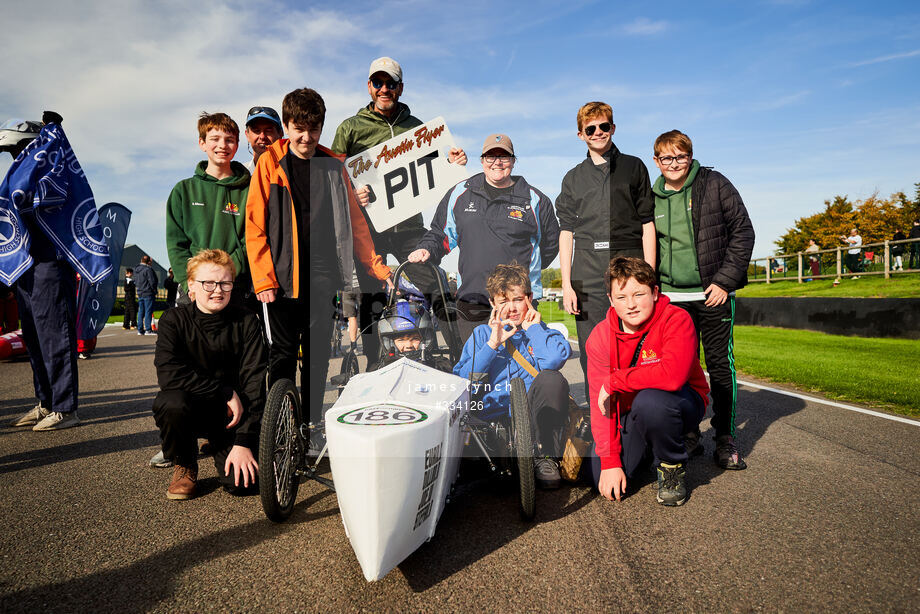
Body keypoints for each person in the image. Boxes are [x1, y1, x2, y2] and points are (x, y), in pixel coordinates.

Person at [246, 87, 392, 435]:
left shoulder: (334, 165)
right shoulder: (269, 163)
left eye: (313, 129)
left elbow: (358, 226)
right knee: (280, 357)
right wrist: (264, 280)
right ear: (287, 126)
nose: (306, 137)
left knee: (316, 359)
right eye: (298, 128)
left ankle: (310, 425)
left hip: (325, 276)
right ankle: (280, 428)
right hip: (281, 278)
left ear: (321, 127)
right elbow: (254, 225)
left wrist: (378, 268)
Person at [331, 56, 467, 362]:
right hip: (370, 229)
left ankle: (461, 360)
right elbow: (331, 177)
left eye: (390, 83)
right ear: (369, 86)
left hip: (409, 227)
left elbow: (433, 174)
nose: (384, 89)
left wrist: (454, 164)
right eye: (378, 83)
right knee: (371, 298)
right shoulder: (350, 128)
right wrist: (352, 191)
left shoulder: (418, 128)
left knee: (437, 285)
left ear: (400, 88)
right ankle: (373, 366)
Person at [650, 130, 754, 470]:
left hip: (713, 294)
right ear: (657, 161)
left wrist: (724, 280)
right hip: (670, 299)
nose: (674, 164)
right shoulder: (652, 197)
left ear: (690, 156)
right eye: (667, 158)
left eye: (680, 157)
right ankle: (689, 434)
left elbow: (743, 231)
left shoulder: (714, 183)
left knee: (719, 366)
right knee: (681, 368)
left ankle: (724, 437)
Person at [409, 134, 560, 342]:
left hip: (518, 302)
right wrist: (426, 248)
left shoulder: (535, 200)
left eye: (504, 157)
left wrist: (523, 276)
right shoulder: (460, 193)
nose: (497, 162)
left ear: (513, 161)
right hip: (473, 301)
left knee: (522, 370)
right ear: (481, 161)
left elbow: (550, 245)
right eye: (490, 156)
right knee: (476, 368)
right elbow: (440, 233)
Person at [586, 257, 709, 506]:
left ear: (654, 292)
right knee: (598, 476)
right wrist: (610, 461)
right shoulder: (599, 337)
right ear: (610, 300)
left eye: (638, 294)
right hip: (629, 411)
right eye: (621, 298)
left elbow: (673, 377)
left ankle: (671, 463)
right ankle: (650, 446)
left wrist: (615, 380)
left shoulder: (677, 319)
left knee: (651, 402)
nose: (630, 305)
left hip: (680, 401)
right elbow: (602, 406)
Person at [152, 249, 267, 500]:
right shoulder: (173, 320)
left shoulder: (247, 321)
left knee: (242, 486)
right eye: (208, 283)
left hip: (232, 417)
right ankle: (185, 463)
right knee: (170, 402)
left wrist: (244, 441)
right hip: (191, 409)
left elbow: (255, 382)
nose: (218, 290)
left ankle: (220, 443)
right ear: (191, 285)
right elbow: (169, 375)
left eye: (225, 283)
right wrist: (223, 391)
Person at [555, 102, 655, 382]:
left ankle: (637, 418)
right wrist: (566, 284)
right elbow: (566, 232)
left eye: (604, 126)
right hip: (587, 273)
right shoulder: (573, 178)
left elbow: (648, 223)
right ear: (580, 135)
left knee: (636, 348)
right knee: (594, 352)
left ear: (613, 128)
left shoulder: (634, 167)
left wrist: (649, 276)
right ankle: (602, 422)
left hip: (631, 272)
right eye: (591, 128)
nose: (598, 132)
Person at [454, 263, 572, 489]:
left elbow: (556, 360)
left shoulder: (543, 331)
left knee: (553, 380)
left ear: (529, 298)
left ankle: (545, 457)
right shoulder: (481, 335)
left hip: (534, 419)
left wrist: (534, 330)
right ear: (492, 304)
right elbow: (461, 380)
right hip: (494, 419)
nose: (512, 308)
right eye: (503, 301)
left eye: (517, 299)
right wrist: (492, 344)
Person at [166, 112, 251, 306]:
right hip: (195, 290)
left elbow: (253, 238)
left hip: (235, 287)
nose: (222, 145)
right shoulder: (183, 191)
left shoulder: (250, 190)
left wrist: (227, 274)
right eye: (215, 139)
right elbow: (176, 244)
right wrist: (191, 285)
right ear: (202, 143)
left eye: (229, 140)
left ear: (237, 145)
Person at [368, 300, 452, 372]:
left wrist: (431, 367)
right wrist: (386, 369)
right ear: (390, 343)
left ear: (425, 340)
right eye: (401, 340)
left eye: (415, 339)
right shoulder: (378, 368)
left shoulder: (441, 364)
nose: (408, 345)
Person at [242, 106, 283, 174]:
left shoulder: (293, 171)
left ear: (280, 134)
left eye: (268, 130)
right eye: (256, 130)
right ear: (247, 135)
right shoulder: (240, 175)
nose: (262, 136)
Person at [134, 255, 158, 335]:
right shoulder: (148, 269)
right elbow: (152, 281)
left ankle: (140, 330)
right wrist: (154, 291)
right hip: (148, 292)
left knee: (141, 311)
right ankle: (148, 329)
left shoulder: (136, 269)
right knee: (148, 311)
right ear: (149, 262)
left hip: (140, 292)